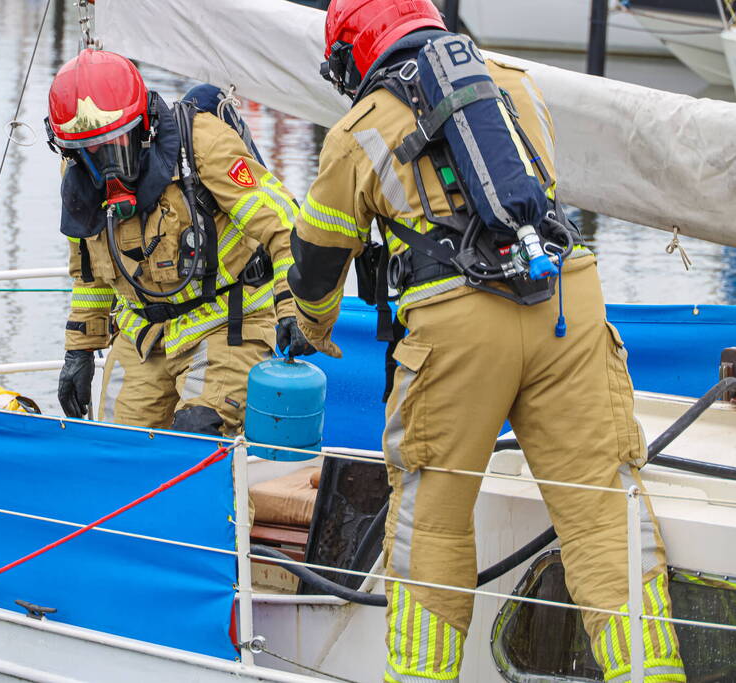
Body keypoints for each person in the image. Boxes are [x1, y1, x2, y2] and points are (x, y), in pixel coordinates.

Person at [287, 1, 685, 680]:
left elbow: (319, 257)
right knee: (599, 514)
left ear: (354, 54)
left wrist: (310, 328)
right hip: (564, 297)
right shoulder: (514, 84)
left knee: (432, 525)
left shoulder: (358, 129)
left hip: (457, 328)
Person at [46, 49, 313, 436]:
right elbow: (90, 271)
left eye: (114, 144)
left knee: (197, 444)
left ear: (144, 126)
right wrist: (80, 349)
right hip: (144, 334)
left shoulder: (203, 144)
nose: (105, 164)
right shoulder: (77, 173)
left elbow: (285, 226)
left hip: (226, 324)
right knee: (115, 451)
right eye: (90, 151)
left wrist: (293, 307)